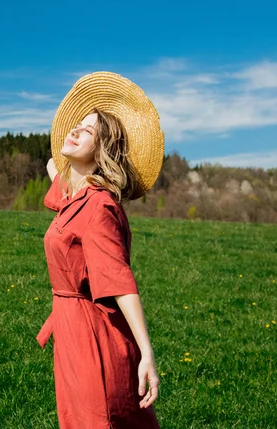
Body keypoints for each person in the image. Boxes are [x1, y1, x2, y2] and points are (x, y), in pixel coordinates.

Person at [36, 72, 164, 429]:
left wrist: (147, 352)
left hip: (95, 339)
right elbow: (67, 212)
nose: (74, 131)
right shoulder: (77, 199)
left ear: (102, 151)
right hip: (73, 332)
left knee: (98, 420)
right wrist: (59, 173)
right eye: (75, 126)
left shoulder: (98, 207)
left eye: (87, 131)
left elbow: (119, 281)